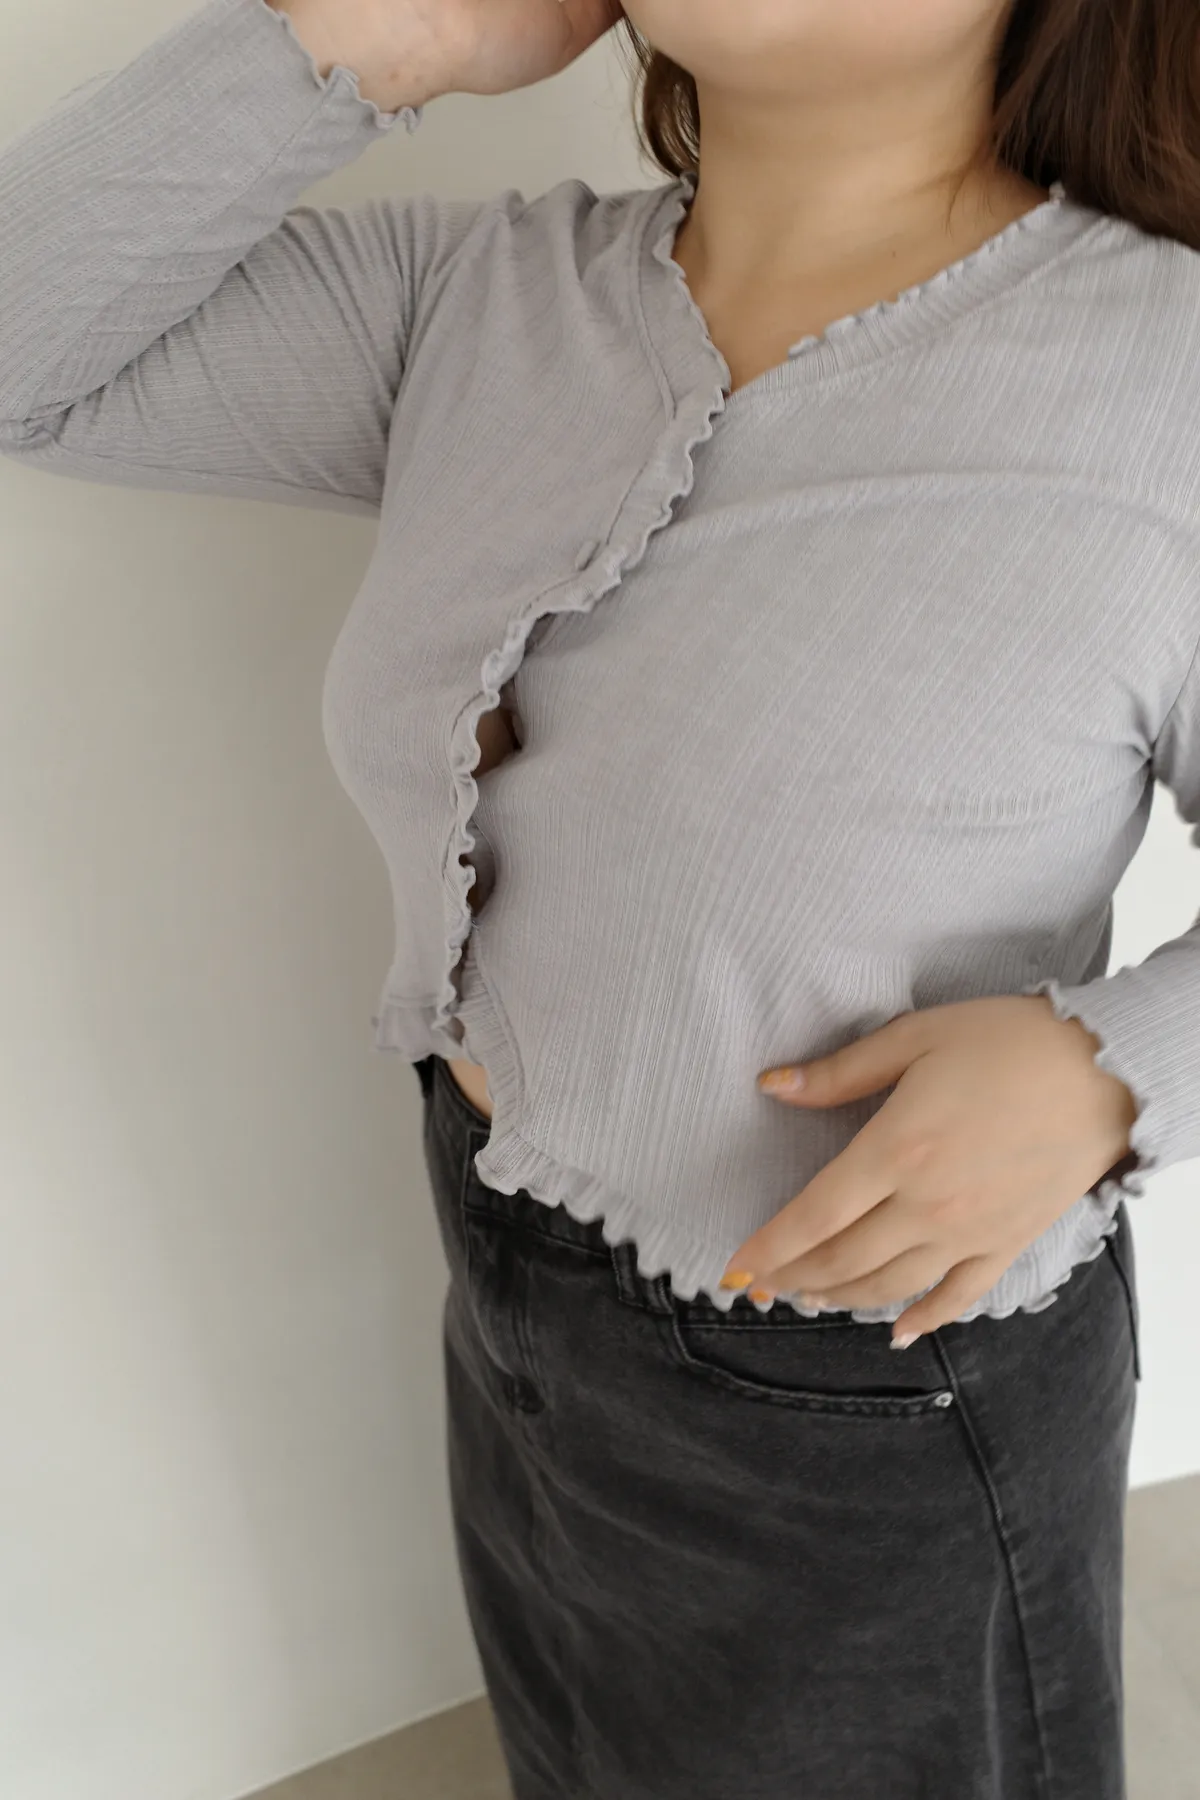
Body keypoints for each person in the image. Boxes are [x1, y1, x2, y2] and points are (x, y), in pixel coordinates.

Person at [4, 0, 1198, 1792]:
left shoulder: (1168, 373)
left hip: (875, 1379)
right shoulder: (477, 303)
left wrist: (1113, 1070)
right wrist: (376, 34)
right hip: (509, 1260)